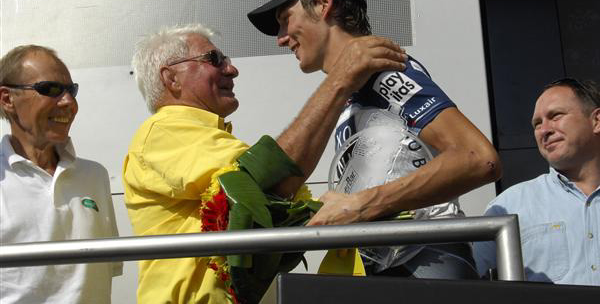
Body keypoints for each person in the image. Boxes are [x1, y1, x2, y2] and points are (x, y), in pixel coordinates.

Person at [248, 0, 501, 279]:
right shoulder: (351, 88)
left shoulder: (381, 68)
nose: (281, 38)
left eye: (286, 19)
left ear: (324, 3)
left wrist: (361, 204)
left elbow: (478, 158)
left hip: (426, 258)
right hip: (386, 263)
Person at [123, 23, 406, 304]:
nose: (232, 70)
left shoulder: (195, 139)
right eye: (214, 59)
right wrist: (341, 79)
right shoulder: (165, 130)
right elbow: (271, 179)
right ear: (172, 78)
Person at [0, 45, 122, 304]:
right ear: (7, 99)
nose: (69, 102)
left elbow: (105, 274)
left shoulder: (94, 176)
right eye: (51, 89)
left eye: (71, 90)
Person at [474, 78, 600, 286]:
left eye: (555, 116)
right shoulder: (508, 206)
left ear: (596, 121)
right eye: (537, 124)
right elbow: (467, 281)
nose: (544, 130)